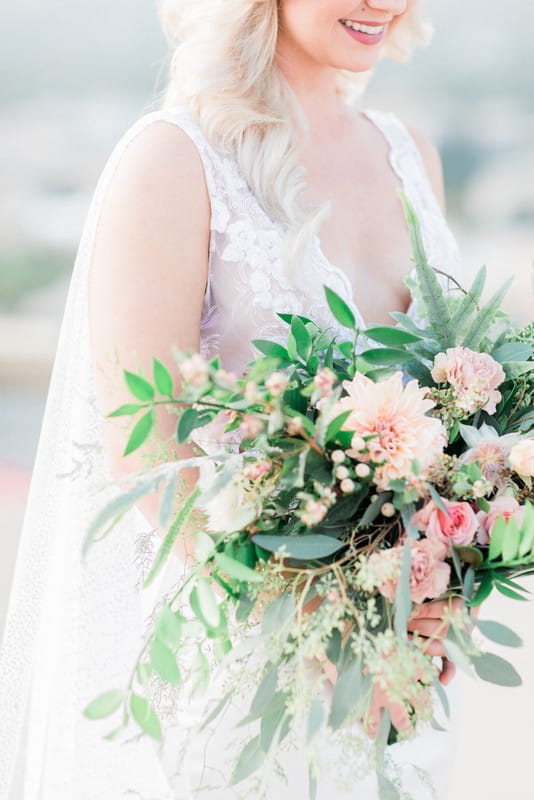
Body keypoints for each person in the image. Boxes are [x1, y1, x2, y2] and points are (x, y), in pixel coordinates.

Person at [0, 1, 464, 797]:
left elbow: (448, 422)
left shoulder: (411, 154)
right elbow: (145, 451)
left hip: (400, 686)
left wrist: (436, 589)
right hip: (246, 672)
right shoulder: (173, 161)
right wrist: (320, 624)